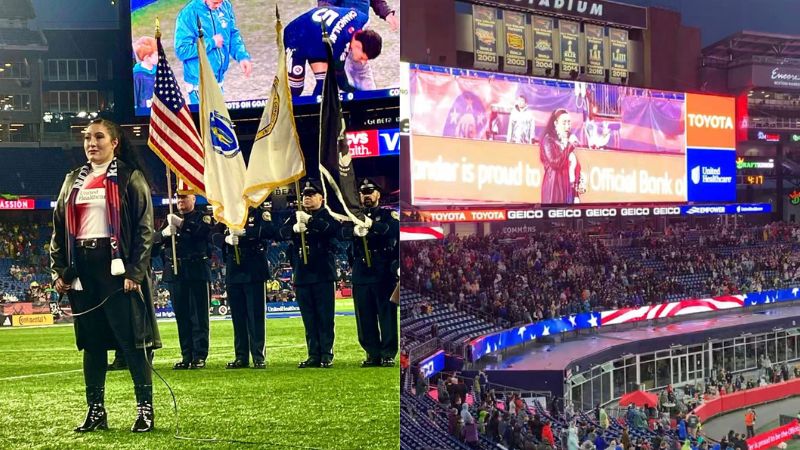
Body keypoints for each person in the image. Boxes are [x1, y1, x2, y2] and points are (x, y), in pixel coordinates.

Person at [51, 118, 159, 432]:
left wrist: (135, 272)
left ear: (115, 143)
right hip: (83, 272)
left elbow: (144, 229)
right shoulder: (72, 180)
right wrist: (60, 269)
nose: (91, 143)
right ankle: (96, 412)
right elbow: (59, 230)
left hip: (117, 271)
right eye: (87, 137)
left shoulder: (129, 177)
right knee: (93, 344)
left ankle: (145, 411)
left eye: (99, 137)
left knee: (133, 344)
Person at [277, 180, 340, 368]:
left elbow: (333, 229)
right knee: (309, 318)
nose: (307, 198)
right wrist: (294, 228)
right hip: (302, 274)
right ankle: (313, 354)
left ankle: (326, 353)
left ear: (321, 198)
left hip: (322, 273)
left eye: (311, 195)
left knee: (325, 317)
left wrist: (311, 222)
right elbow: (279, 232)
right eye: (304, 195)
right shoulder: (296, 216)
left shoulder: (327, 215)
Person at [152, 181, 213, 370]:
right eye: (178, 197)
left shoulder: (203, 217)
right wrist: (163, 233)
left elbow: (202, 234)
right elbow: (153, 246)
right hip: (176, 272)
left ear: (193, 199)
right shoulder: (170, 218)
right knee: (183, 317)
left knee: (198, 316)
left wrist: (182, 225)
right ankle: (186, 355)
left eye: (184, 197)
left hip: (196, 271)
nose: (180, 200)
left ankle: (199, 355)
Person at [339, 178, 399, 367]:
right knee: (364, 316)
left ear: (378, 195)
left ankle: (388, 353)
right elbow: (340, 233)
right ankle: (372, 353)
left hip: (382, 272)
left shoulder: (388, 215)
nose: (366, 196)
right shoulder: (353, 217)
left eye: (370, 192)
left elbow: (393, 231)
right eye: (363, 193)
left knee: (386, 315)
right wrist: (354, 230)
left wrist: (371, 225)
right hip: (361, 272)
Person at [213, 204, 272, 369]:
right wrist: (225, 239)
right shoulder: (227, 212)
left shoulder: (259, 213)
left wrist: (247, 233)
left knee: (256, 316)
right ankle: (241, 356)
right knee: (238, 318)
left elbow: (269, 231)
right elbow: (213, 234)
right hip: (234, 270)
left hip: (254, 268)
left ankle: (258, 356)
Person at [284, 6, 383, 97]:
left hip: (318, 40)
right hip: (295, 37)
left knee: (325, 86)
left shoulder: (363, 19)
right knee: (295, 89)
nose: (363, 62)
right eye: (362, 58)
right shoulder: (339, 45)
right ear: (358, 46)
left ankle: (316, 114)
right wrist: (358, 94)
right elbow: (341, 81)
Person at [174, 0, 253, 104]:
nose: (219, 6)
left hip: (218, 81)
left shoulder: (225, 5)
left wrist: (242, 56)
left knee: (219, 119)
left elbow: (232, 34)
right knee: (206, 120)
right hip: (199, 85)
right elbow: (182, 50)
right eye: (215, 2)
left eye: (221, 1)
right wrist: (211, 43)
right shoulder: (188, 14)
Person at [540, 108, 580, 204]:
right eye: (564, 122)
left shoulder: (568, 141)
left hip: (569, 191)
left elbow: (574, 169)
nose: (568, 126)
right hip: (555, 190)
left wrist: (577, 191)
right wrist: (569, 146)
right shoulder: (548, 140)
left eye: (569, 122)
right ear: (556, 123)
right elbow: (555, 163)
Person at [132, 36, 158, 108]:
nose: (159, 56)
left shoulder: (158, 70)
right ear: (147, 58)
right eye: (156, 54)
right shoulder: (137, 75)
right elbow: (134, 97)